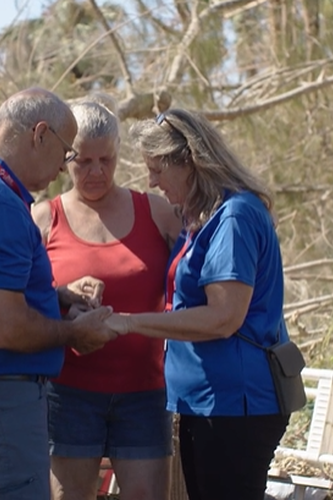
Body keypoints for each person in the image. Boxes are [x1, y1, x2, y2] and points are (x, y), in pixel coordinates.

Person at [0, 87, 119, 500]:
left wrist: (57, 297)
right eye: (67, 152)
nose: (61, 168)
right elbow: (4, 326)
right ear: (40, 134)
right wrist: (74, 332)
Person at [106, 108, 291, 500]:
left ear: (188, 161)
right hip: (205, 403)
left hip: (234, 405)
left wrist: (130, 323)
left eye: (157, 169)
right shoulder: (203, 218)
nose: (152, 181)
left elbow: (222, 317)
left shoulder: (235, 216)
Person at [32, 94, 182, 500]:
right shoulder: (44, 219)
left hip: (144, 393)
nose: (96, 171)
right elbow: (18, 300)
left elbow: (204, 270)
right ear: (65, 159)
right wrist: (62, 297)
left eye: (107, 160)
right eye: (83, 161)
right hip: (68, 392)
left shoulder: (157, 212)